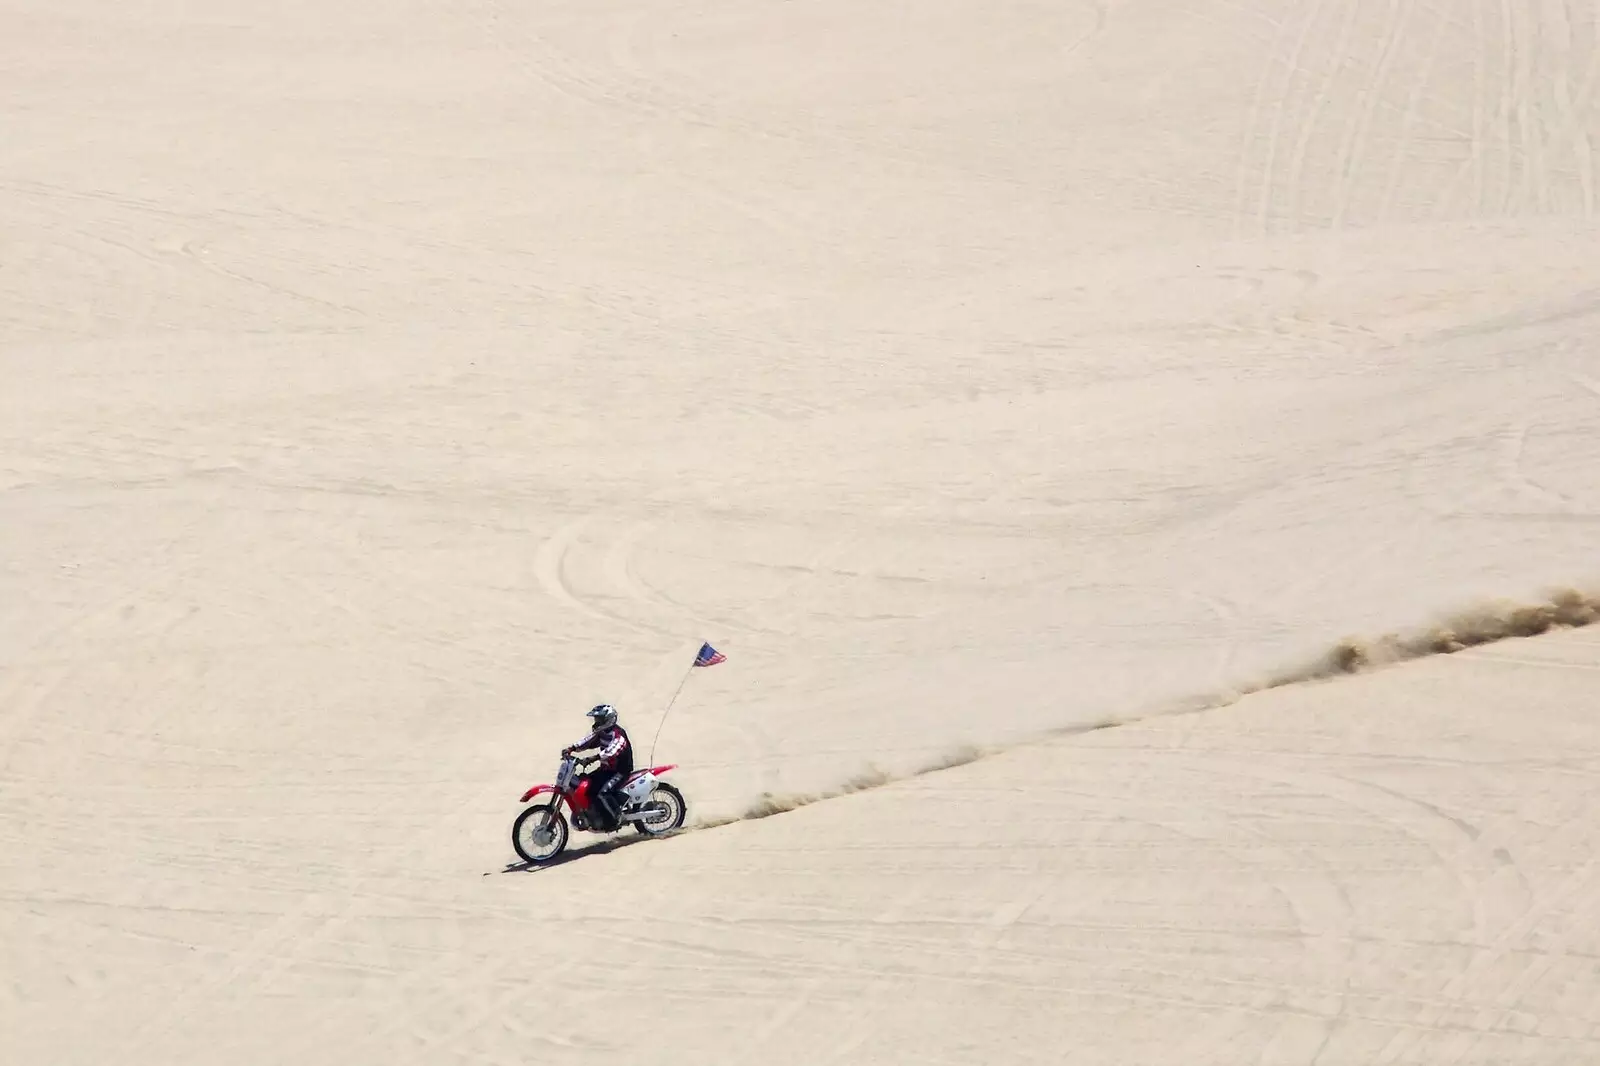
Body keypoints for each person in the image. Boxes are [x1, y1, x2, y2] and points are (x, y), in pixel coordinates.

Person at [562, 703, 634, 828]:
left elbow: (611, 751)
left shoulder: (618, 735)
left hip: (619, 772)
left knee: (603, 793)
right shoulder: (602, 732)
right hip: (605, 770)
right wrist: (571, 748)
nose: (596, 722)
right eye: (596, 719)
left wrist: (593, 758)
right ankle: (595, 814)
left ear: (608, 719)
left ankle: (615, 817)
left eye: (599, 719)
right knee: (586, 785)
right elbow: (587, 741)